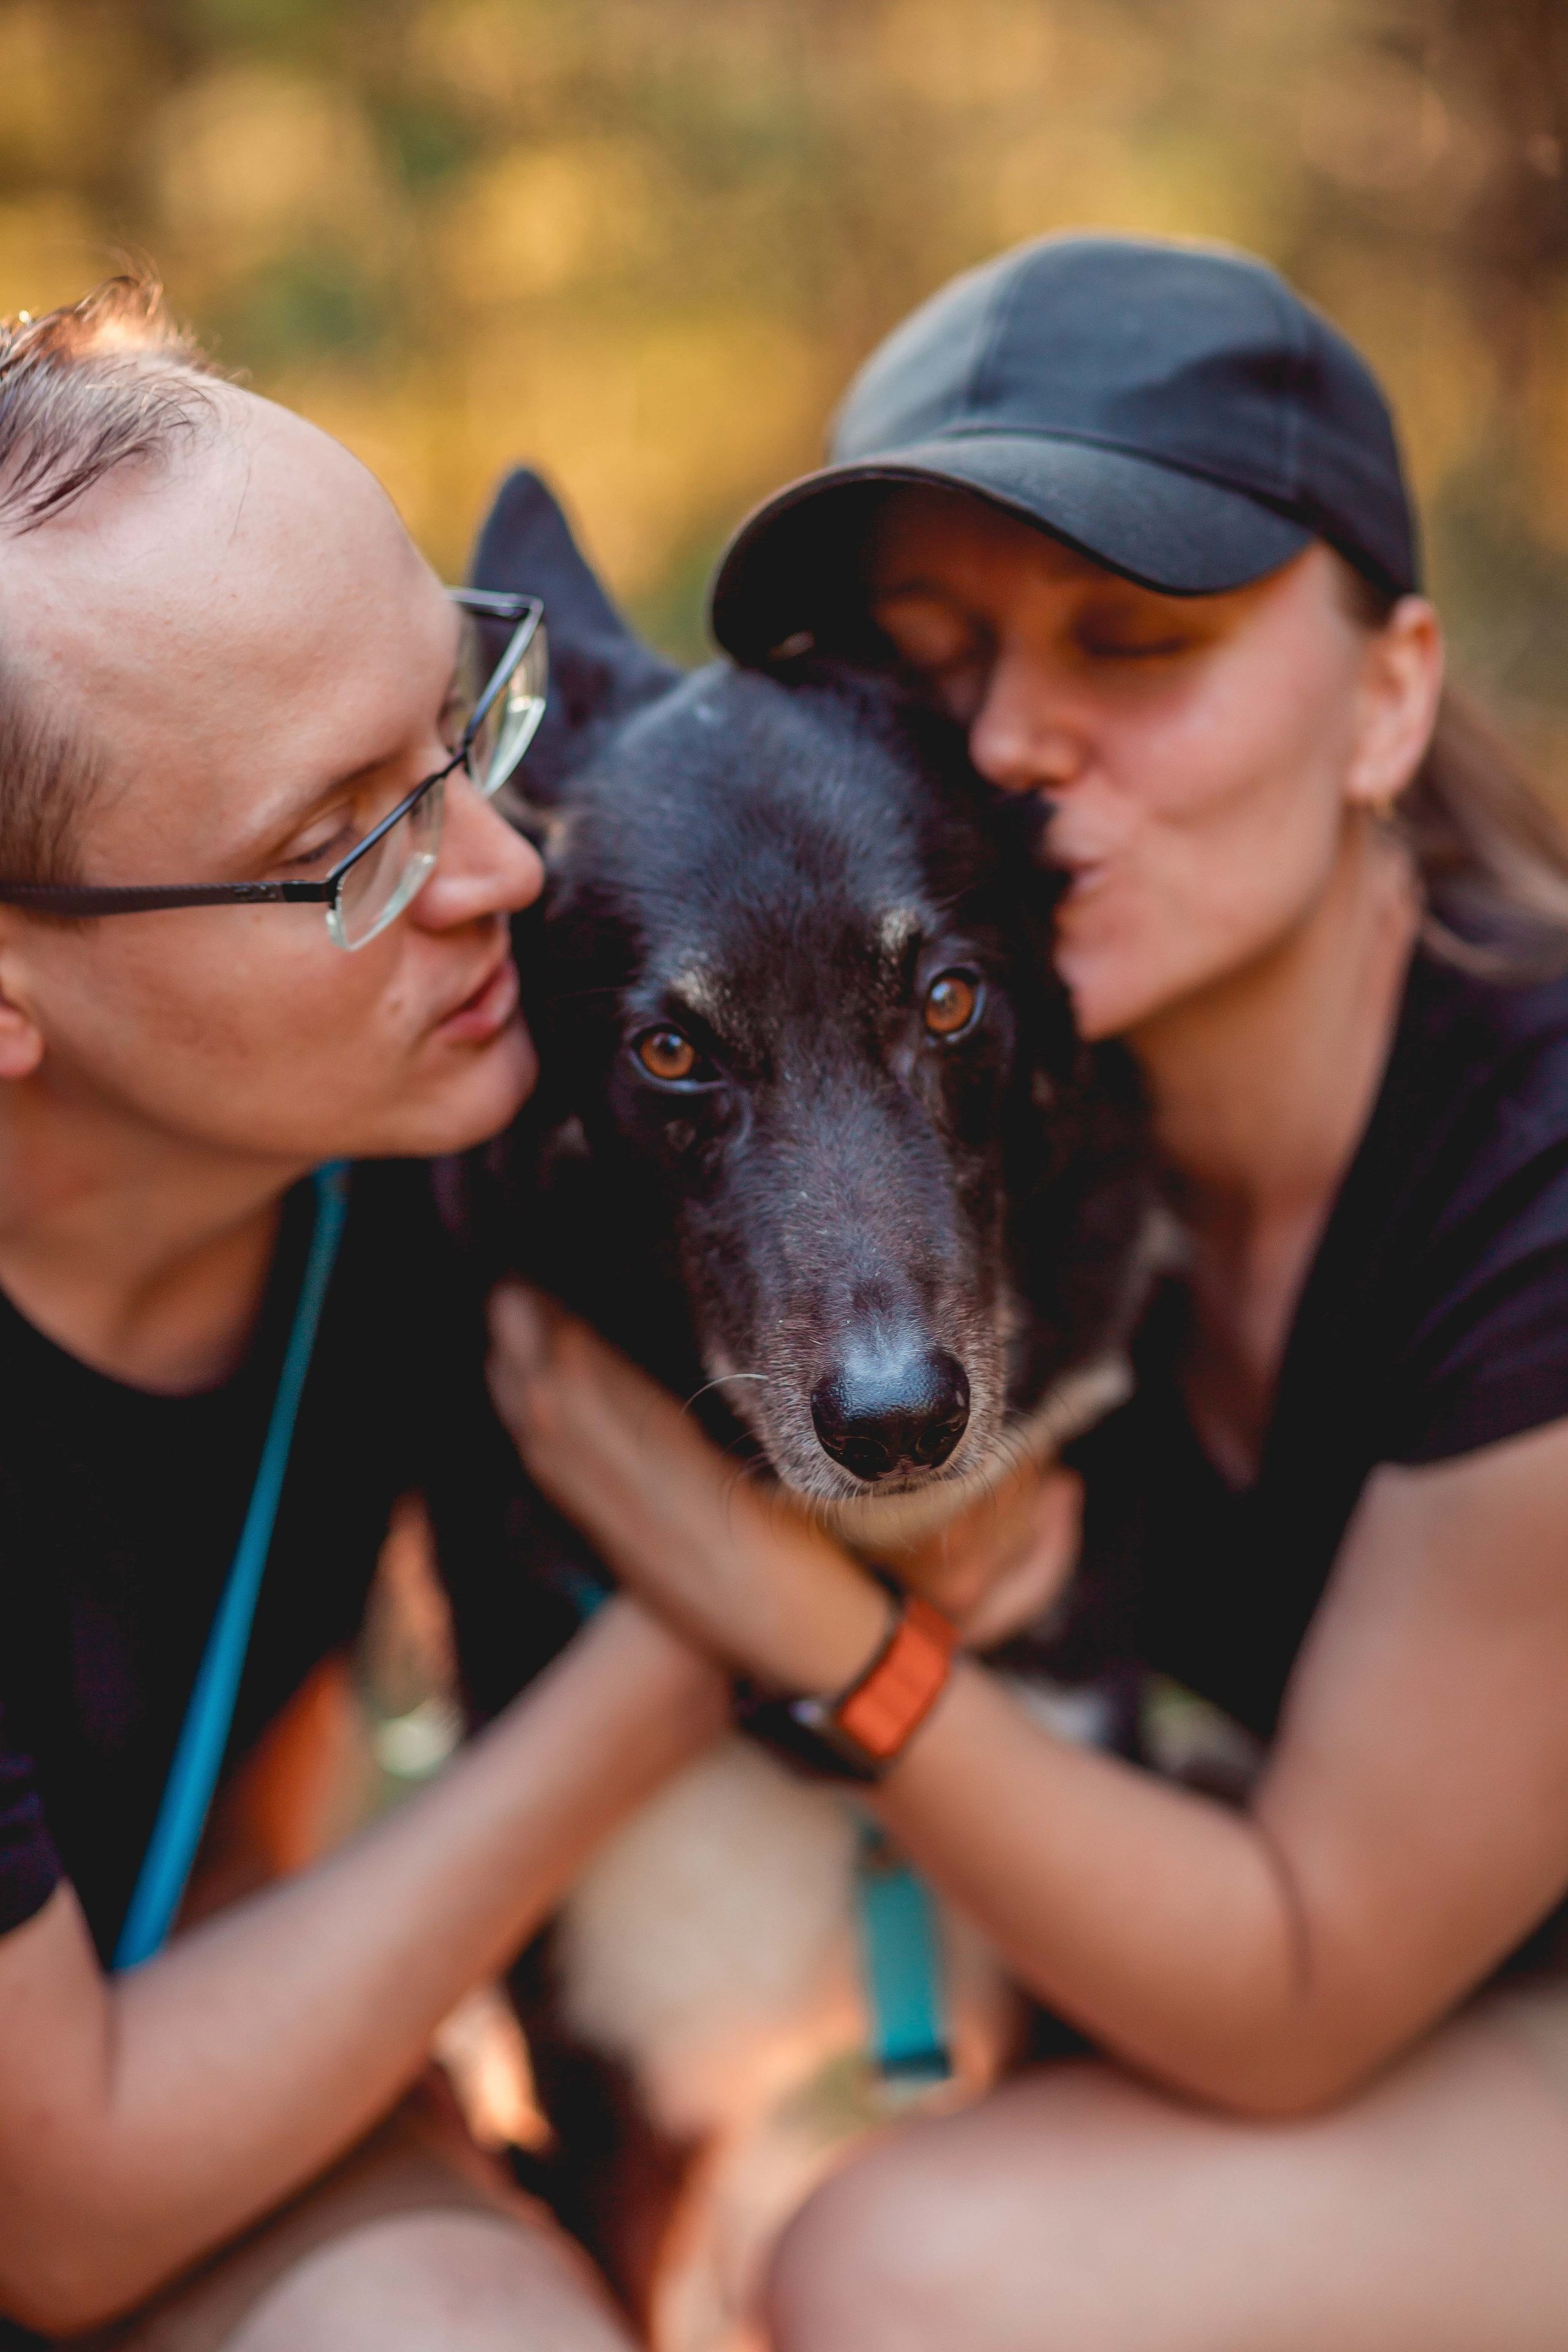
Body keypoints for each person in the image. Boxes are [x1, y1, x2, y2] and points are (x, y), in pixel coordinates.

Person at [486, 235, 1568, 2350]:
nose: (1017, 741)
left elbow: (1288, 2002)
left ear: (1393, 692)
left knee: (903, 2268)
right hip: (1427, 1993)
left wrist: (805, 1615)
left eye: (1134, 643)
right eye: (941, 653)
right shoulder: (1054, 1127)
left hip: (1440, 2014)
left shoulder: (1533, 1192)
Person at [0, 281, 729, 2352]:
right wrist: (701, 1647)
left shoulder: (400, 1158)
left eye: (459, 716)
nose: (503, 866)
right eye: (347, 846)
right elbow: (54, 2216)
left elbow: (217, 1841)